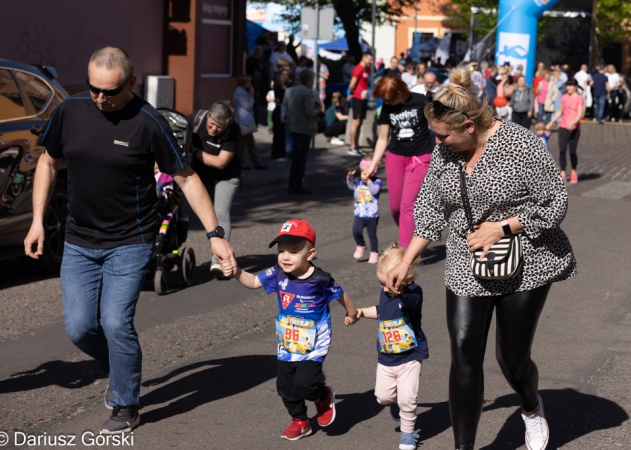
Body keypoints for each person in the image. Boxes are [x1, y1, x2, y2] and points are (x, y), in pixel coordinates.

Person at [23, 46, 237, 434]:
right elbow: (48, 162)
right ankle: (121, 371)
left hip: (131, 239)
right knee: (79, 328)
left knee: (117, 323)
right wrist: (38, 220)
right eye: (94, 89)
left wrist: (215, 235)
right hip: (78, 239)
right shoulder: (70, 111)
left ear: (131, 82)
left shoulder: (148, 121)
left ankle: (126, 403)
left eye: (111, 91)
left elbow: (187, 178)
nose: (102, 99)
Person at [386, 66, 576, 450]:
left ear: (470, 125)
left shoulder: (521, 145)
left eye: (444, 136)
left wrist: (504, 227)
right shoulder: (445, 154)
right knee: (464, 354)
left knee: (513, 360)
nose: (438, 144)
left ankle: (530, 406)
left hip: (527, 263)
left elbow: (556, 202)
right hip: (465, 264)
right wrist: (406, 261)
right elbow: (429, 210)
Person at [224, 219, 358, 441]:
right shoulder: (277, 273)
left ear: (310, 254)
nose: (285, 256)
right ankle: (300, 421)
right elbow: (253, 281)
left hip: (315, 343)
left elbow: (340, 294)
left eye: (293, 251)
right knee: (285, 386)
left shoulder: (320, 279)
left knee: (305, 384)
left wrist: (352, 313)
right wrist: (236, 271)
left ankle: (322, 396)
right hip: (288, 342)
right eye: (281, 251)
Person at [347, 243, 428, 450]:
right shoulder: (386, 292)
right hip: (386, 358)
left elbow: (412, 302)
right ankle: (394, 404)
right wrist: (360, 313)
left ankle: (408, 434)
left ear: (405, 278)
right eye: (381, 283)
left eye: (388, 283)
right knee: (383, 397)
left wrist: (400, 290)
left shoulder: (413, 292)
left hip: (410, 357)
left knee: (408, 399)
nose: (384, 288)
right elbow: (382, 311)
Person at [366, 75, 432, 249]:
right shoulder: (387, 108)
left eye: (389, 98)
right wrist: (373, 165)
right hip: (395, 156)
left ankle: (405, 251)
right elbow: (382, 138)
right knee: (395, 208)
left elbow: (439, 125)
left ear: (400, 91)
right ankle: (413, 238)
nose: (386, 101)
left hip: (420, 156)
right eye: (384, 99)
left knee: (407, 205)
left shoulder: (421, 101)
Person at [188, 102, 242, 278]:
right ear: (208, 116)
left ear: (227, 124)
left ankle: (219, 262)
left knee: (220, 214)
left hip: (225, 176)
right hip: (200, 174)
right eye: (211, 125)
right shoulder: (195, 119)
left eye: (219, 128)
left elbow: (220, 162)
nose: (213, 130)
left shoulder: (234, 130)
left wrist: (194, 151)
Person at [286, 69, 320, 195]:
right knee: (300, 159)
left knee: (296, 159)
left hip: (295, 127)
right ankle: (296, 186)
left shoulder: (295, 89)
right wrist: (318, 110)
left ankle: (293, 185)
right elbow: (310, 112)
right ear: (310, 79)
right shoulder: (307, 91)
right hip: (303, 128)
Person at [548, 79, 585, 183]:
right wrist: (551, 122)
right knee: (562, 150)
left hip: (574, 128)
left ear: (575, 87)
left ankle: (574, 171)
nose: (568, 88)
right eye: (567, 86)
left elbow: (579, 114)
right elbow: (560, 110)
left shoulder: (579, 98)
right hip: (563, 126)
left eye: (571, 86)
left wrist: (573, 123)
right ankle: (563, 172)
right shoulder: (564, 97)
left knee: (572, 151)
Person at [346, 157, 382, 264]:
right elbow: (351, 187)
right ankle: (361, 245)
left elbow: (374, 191)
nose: (364, 174)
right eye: (362, 171)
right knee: (356, 231)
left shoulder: (377, 181)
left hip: (372, 215)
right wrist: (349, 178)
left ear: (373, 171)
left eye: (367, 171)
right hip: (359, 213)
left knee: (372, 234)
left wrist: (369, 181)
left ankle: (374, 252)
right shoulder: (359, 182)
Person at [233, 74, 267, 170]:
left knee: (251, 144)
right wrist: (252, 96)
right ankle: (241, 162)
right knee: (242, 145)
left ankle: (256, 162)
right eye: (249, 82)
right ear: (245, 83)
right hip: (243, 122)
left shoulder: (243, 91)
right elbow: (248, 107)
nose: (251, 84)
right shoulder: (240, 93)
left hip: (247, 122)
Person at [348, 52, 374, 157]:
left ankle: (357, 146)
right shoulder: (358, 68)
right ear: (364, 58)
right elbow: (352, 85)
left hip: (363, 98)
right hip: (357, 98)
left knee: (360, 122)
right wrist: (352, 94)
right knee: (356, 122)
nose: (371, 62)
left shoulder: (366, 69)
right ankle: (352, 146)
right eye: (369, 59)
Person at [272, 69, 290, 161]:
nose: (285, 76)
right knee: (278, 134)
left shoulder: (288, 85)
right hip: (279, 110)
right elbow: (278, 100)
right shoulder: (278, 86)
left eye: (286, 74)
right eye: (283, 74)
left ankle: (282, 153)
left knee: (283, 134)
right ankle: (277, 154)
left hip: (285, 110)